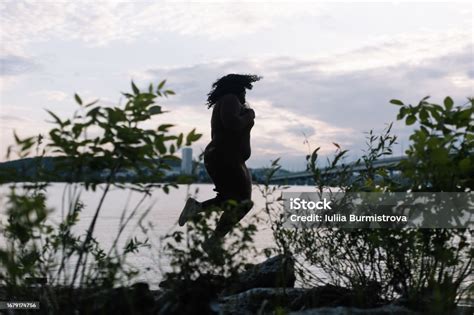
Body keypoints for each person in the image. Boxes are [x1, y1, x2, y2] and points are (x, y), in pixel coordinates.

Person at [178, 73, 261, 253]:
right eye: (243, 89)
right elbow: (232, 124)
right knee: (243, 202)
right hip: (225, 157)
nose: (245, 94)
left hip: (228, 158)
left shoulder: (229, 102)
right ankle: (213, 240)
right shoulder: (230, 99)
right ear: (236, 88)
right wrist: (249, 116)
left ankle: (198, 210)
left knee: (230, 200)